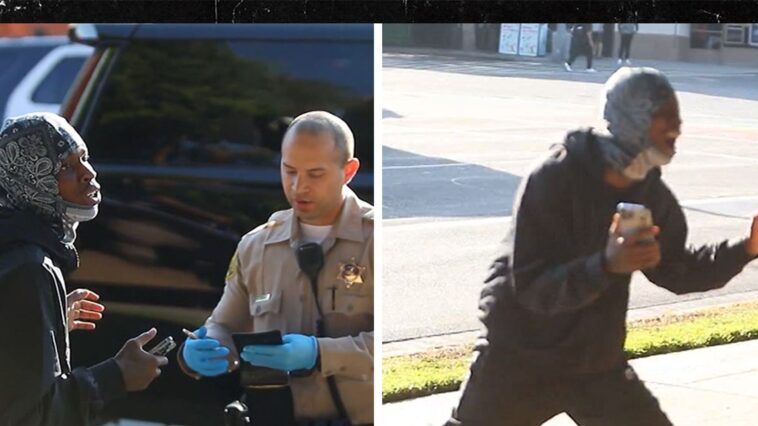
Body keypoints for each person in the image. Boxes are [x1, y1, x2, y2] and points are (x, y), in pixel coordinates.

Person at [445, 67, 758, 425]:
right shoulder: (555, 177)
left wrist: (747, 247)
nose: (678, 127)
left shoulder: (650, 191)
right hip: (519, 357)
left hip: (594, 362)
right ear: (634, 119)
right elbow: (532, 288)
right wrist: (606, 265)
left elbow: (677, 271)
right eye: (666, 116)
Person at [178, 111, 373, 425]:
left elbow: (393, 345)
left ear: (348, 171)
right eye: (289, 170)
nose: (299, 186)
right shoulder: (257, 246)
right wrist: (204, 348)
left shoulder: (375, 240)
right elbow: (224, 324)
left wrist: (318, 354)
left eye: (316, 174)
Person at [0, 113, 169, 425]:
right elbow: (32, 415)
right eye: (66, 166)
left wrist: (49, 325)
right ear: (30, 178)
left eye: (85, 158)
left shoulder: (14, 246)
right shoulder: (30, 267)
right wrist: (115, 376)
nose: (88, 173)